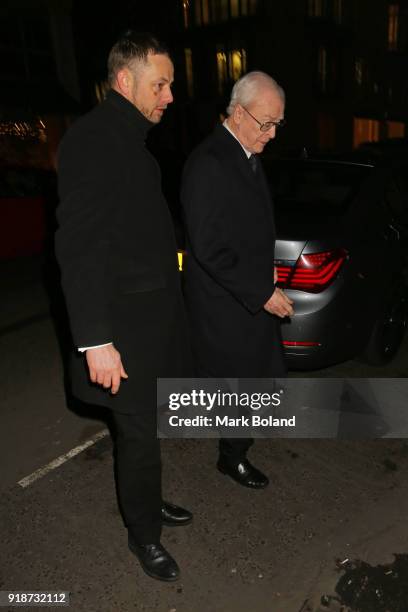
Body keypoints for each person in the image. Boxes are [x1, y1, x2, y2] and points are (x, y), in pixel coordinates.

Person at [55, 31, 192, 582]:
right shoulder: (94, 140)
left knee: (149, 431)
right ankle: (144, 535)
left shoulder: (131, 141)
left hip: (150, 325)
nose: (169, 96)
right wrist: (95, 340)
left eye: (171, 85)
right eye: (160, 84)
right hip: (121, 335)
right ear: (123, 81)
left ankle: (148, 501)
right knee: (136, 437)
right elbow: (80, 245)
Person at [181, 71, 294, 490]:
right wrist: (261, 290)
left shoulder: (247, 153)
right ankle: (233, 457)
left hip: (246, 295)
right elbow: (209, 247)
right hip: (225, 305)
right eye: (266, 123)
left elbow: (249, 227)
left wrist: (267, 270)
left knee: (259, 379)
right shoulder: (209, 163)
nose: (272, 134)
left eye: (278, 124)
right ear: (239, 112)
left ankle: (235, 447)